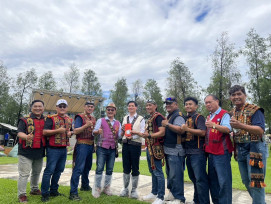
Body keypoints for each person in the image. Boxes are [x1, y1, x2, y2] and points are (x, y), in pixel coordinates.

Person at [229, 85, 268, 204]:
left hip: (255, 147)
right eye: (233, 95)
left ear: (245, 95)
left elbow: (260, 130)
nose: (236, 97)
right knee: (246, 180)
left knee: (256, 182)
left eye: (239, 94)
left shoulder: (255, 110)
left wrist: (240, 126)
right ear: (230, 98)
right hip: (241, 148)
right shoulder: (234, 112)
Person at [41, 99, 73, 202]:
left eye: (64, 106)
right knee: (49, 171)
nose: (62, 108)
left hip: (63, 149)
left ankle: (54, 190)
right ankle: (45, 194)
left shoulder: (69, 119)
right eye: (60, 106)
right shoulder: (51, 118)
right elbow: (45, 132)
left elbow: (70, 132)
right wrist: (58, 131)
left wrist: (70, 133)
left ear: (67, 108)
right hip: (52, 148)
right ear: (56, 107)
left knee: (59, 170)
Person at [204, 94, 233, 204]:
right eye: (206, 103)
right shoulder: (210, 116)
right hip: (211, 152)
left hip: (222, 153)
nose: (208, 104)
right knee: (213, 182)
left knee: (224, 182)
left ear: (217, 101)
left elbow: (227, 129)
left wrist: (213, 125)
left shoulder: (224, 114)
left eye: (210, 102)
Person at [181, 97, 209, 204]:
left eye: (190, 104)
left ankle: (204, 202)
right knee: (194, 178)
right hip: (189, 152)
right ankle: (196, 200)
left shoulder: (199, 117)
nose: (188, 106)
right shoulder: (187, 118)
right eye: (186, 104)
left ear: (196, 106)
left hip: (198, 153)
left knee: (200, 180)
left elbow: (203, 132)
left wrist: (187, 129)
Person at [17, 100, 46, 203]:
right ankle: (22, 194)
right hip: (25, 151)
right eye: (35, 106)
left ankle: (34, 189)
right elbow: (19, 133)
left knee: (37, 172)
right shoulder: (24, 119)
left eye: (40, 106)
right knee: (24, 174)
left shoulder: (47, 120)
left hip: (40, 150)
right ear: (31, 107)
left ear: (43, 108)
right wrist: (26, 137)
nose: (38, 108)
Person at [92, 102, 121, 198]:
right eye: (108, 109)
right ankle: (97, 188)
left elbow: (119, 136)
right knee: (99, 168)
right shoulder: (101, 120)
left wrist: (125, 131)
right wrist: (97, 131)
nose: (110, 111)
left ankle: (107, 187)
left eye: (112, 110)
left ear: (115, 111)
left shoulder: (118, 123)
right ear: (106, 111)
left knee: (110, 169)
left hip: (112, 148)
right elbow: (94, 132)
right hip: (101, 147)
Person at [69, 101, 96, 201]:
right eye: (88, 106)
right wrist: (86, 125)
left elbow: (94, 132)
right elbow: (75, 131)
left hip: (91, 144)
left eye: (92, 107)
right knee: (78, 168)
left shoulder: (93, 118)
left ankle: (84, 185)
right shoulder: (79, 117)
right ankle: (73, 192)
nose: (90, 108)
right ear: (84, 107)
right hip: (82, 144)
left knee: (87, 167)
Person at [140, 100, 166, 204]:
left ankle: (161, 196)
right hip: (149, 147)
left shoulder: (158, 116)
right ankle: (154, 192)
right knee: (152, 170)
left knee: (158, 172)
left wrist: (149, 135)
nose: (148, 107)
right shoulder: (151, 117)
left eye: (150, 105)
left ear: (155, 106)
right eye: (146, 105)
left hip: (156, 147)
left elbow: (162, 132)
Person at [162, 97, 186, 204]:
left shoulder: (178, 116)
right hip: (169, 149)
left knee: (176, 175)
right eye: (166, 104)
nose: (167, 105)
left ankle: (179, 198)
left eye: (170, 104)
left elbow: (181, 130)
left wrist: (167, 124)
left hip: (176, 150)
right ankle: (172, 193)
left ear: (176, 104)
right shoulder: (170, 115)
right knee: (170, 174)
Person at [119, 101, 145, 199]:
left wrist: (133, 135)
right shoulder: (125, 118)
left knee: (135, 167)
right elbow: (123, 133)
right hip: (125, 144)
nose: (130, 107)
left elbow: (142, 132)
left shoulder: (141, 118)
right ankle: (125, 188)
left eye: (132, 106)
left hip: (135, 145)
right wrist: (122, 130)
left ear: (136, 107)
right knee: (125, 166)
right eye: (129, 106)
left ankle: (134, 189)